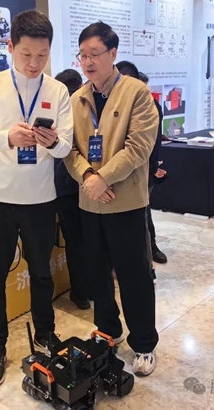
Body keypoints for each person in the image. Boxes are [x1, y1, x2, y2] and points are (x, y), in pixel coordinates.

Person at [0, 10, 74, 386]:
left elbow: (67, 147)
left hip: (41, 199)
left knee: (42, 273)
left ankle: (45, 333)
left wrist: (53, 141)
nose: (34, 63)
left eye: (42, 55)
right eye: (26, 54)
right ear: (10, 47)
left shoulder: (57, 91)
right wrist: (7, 138)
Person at [64, 21, 159, 376]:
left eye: (95, 54)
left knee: (134, 274)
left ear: (113, 53)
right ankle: (107, 330)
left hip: (126, 201)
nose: (88, 62)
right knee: (97, 272)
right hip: (90, 200)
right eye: (82, 55)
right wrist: (88, 177)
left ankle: (144, 342)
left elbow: (139, 147)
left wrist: (102, 177)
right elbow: (69, 149)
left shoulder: (137, 92)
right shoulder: (77, 99)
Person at [116, 61, 168, 278]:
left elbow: (151, 144)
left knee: (142, 219)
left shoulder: (148, 105)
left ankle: (147, 265)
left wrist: (153, 168)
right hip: (117, 174)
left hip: (141, 173)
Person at [53, 69, 90, 310]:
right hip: (90, 182)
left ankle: (81, 294)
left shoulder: (57, 110)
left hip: (64, 186)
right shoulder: (89, 107)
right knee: (92, 240)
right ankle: (93, 289)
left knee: (75, 242)